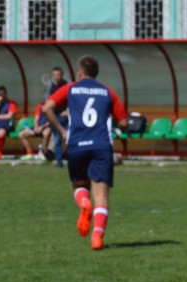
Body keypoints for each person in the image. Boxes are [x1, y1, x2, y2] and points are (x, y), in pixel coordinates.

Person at [44, 56, 129, 251]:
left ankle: (84, 202)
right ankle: (97, 237)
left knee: (79, 185)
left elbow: (47, 107)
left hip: (77, 144)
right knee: (101, 195)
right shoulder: (107, 91)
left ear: (79, 72)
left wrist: (62, 131)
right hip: (101, 145)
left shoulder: (71, 88)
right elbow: (124, 122)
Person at [44, 67, 69, 167]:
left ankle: (72, 159)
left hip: (66, 117)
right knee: (57, 140)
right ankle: (59, 163)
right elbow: (46, 101)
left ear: (61, 75)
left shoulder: (66, 86)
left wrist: (68, 111)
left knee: (69, 138)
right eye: (54, 75)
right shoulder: (50, 87)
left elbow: (71, 100)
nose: (56, 77)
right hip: (55, 117)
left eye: (58, 75)